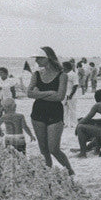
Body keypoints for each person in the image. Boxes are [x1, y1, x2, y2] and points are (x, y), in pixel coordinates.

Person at [28, 46, 75, 174]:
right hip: (38, 113)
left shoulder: (62, 75)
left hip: (55, 113)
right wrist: (49, 92)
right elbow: (29, 93)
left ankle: (70, 171)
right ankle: (48, 175)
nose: (37, 60)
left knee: (53, 148)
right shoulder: (36, 74)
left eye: (39, 58)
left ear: (48, 58)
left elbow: (60, 97)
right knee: (43, 150)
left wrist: (39, 93)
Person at [75, 89, 101, 157]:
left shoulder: (98, 105)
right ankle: (93, 149)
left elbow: (86, 119)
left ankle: (83, 153)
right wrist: (94, 121)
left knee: (80, 127)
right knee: (99, 127)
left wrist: (77, 126)